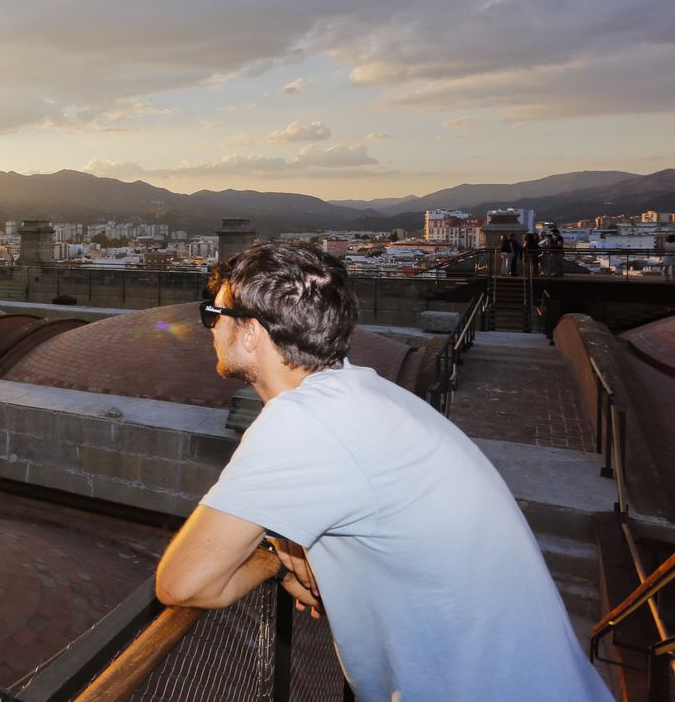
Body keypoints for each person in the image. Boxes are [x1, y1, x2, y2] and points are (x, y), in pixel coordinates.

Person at [153, 242, 610, 701]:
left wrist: (271, 563)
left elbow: (183, 583)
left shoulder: (304, 422)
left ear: (250, 331)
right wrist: (288, 550)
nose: (210, 328)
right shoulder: (369, 395)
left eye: (214, 314)